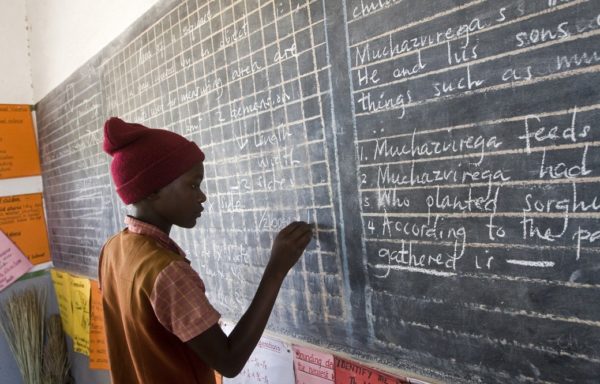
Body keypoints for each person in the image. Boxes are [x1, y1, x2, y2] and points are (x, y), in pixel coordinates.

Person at [99, 117, 313, 383]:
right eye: (192, 184)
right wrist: (276, 270)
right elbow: (229, 360)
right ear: (152, 190)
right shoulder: (166, 272)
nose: (202, 196)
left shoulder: (113, 249)